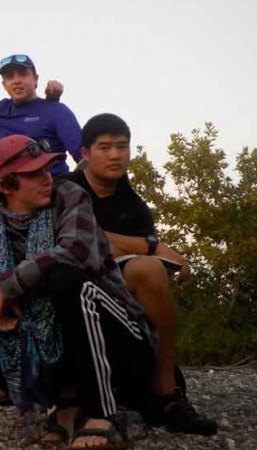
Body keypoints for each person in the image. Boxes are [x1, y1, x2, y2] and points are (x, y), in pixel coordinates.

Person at [0, 134, 157, 448]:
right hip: (56, 347)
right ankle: (63, 400)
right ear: (5, 186)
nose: (47, 178)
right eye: (34, 173)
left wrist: (9, 283)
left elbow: (78, 253)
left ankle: (100, 411)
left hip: (121, 341)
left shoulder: (69, 196)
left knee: (62, 278)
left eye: (47, 169)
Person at [64, 113, 217, 435]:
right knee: (147, 262)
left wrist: (131, 247)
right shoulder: (65, 190)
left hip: (119, 305)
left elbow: (118, 252)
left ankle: (167, 395)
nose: (115, 154)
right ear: (85, 154)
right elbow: (81, 240)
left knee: (150, 271)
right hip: (69, 293)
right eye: (104, 147)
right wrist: (150, 244)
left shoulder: (135, 207)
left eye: (122, 146)